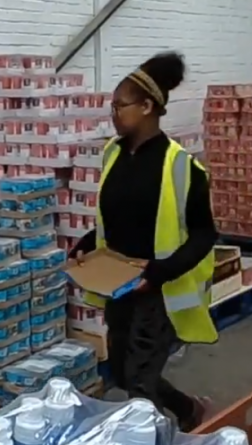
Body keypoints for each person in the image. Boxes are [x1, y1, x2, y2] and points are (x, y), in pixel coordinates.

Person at [71, 52, 218, 431]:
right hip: (119, 285)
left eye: (120, 106)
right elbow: (117, 217)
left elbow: (205, 234)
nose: (113, 114)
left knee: (139, 383)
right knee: (122, 372)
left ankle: (155, 436)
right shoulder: (112, 154)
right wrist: (89, 242)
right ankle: (189, 411)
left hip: (160, 288)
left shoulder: (181, 166)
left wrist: (159, 272)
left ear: (148, 106)